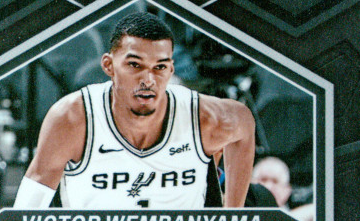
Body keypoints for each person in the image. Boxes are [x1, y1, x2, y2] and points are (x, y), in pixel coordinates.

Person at [14, 12, 255, 210]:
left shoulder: (199, 117)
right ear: (109, 65)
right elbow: (24, 216)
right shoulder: (73, 117)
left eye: (160, 67)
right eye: (135, 65)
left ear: (171, 70)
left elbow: (244, 122)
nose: (148, 80)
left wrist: (232, 217)